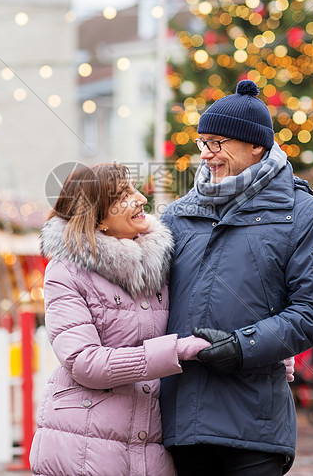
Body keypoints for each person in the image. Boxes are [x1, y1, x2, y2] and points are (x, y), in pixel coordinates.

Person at [160, 80, 313, 475]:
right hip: (180, 422)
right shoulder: (177, 216)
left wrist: (242, 347)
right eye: (202, 143)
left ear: (256, 146)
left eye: (217, 143)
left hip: (254, 424)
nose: (207, 155)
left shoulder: (306, 214)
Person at [29, 163, 211, 476]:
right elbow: (85, 362)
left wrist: (261, 350)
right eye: (123, 196)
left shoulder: (160, 263)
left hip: (149, 440)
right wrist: (175, 351)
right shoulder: (66, 271)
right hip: (84, 443)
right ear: (98, 219)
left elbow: (206, 309)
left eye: (134, 189)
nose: (140, 198)